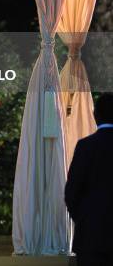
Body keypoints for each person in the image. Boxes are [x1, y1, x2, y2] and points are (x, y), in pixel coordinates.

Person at [65, 93, 113, 266]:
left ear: (95, 115)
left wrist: (84, 219)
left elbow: (71, 192)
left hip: (90, 239)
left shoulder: (86, 146)